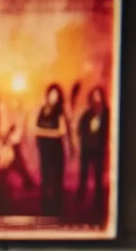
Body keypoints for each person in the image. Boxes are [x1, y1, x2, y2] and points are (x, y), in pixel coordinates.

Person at [33, 83, 74, 218]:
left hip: (56, 151)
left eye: (56, 95)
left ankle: (57, 210)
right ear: (47, 95)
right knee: (45, 180)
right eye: (51, 95)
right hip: (44, 151)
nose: (53, 98)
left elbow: (61, 132)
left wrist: (44, 132)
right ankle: (45, 209)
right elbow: (35, 129)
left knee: (56, 181)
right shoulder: (41, 110)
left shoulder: (61, 112)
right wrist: (48, 132)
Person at [75, 86, 109, 211]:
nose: (96, 98)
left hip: (99, 148)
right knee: (83, 173)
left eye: (98, 95)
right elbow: (80, 128)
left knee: (98, 175)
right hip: (86, 147)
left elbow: (109, 130)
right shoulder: (88, 112)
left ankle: (98, 200)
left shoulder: (106, 112)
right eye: (94, 95)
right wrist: (86, 133)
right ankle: (80, 195)